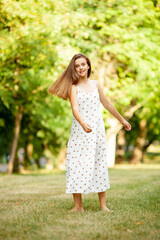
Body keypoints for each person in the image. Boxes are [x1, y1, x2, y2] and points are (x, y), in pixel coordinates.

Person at [48, 53, 131, 213]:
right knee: (75, 164)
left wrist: (122, 120)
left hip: (96, 130)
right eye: (77, 65)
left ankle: (103, 206)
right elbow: (75, 109)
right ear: (74, 68)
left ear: (88, 66)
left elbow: (107, 103)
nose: (80, 68)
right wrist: (82, 123)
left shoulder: (96, 85)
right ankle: (78, 206)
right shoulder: (73, 87)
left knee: (99, 163)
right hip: (80, 130)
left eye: (83, 64)